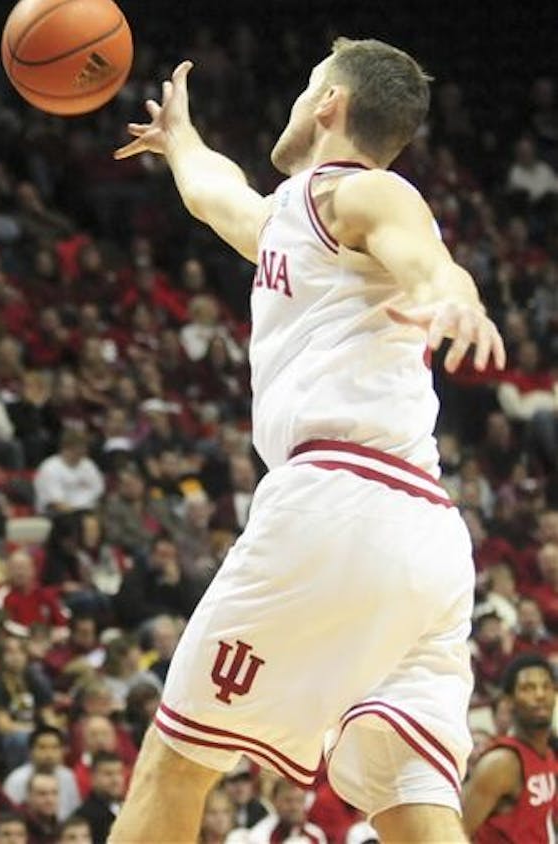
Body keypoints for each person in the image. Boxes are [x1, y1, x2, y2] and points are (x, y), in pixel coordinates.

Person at [108, 40, 505, 842]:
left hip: (339, 502)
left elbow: (426, 257)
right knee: (413, 805)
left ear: (329, 102)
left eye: (305, 88)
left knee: (174, 762)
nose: (294, 101)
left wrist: (453, 296)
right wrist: (179, 138)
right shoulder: (295, 221)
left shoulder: (365, 193)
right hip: (426, 540)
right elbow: (220, 197)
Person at [462, 654, 558, 841]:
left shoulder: (547, 755)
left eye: (546, 686)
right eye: (527, 688)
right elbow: (455, 833)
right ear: (508, 701)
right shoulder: (501, 762)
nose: (540, 694)